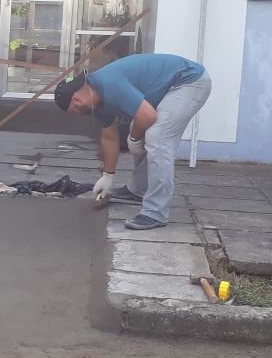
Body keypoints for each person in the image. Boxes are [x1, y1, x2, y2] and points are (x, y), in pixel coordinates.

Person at [54, 53, 211, 230]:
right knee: (142, 129)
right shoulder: (96, 102)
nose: (79, 114)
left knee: (157, 137)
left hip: (189, 82)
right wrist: (107, 176)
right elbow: (109, 137)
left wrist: (134, 138)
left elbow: (147, 116)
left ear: (76, 99)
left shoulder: (109, 83)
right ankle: (138, 190)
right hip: (171, 87)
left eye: (74, 110)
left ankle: (156, 212)